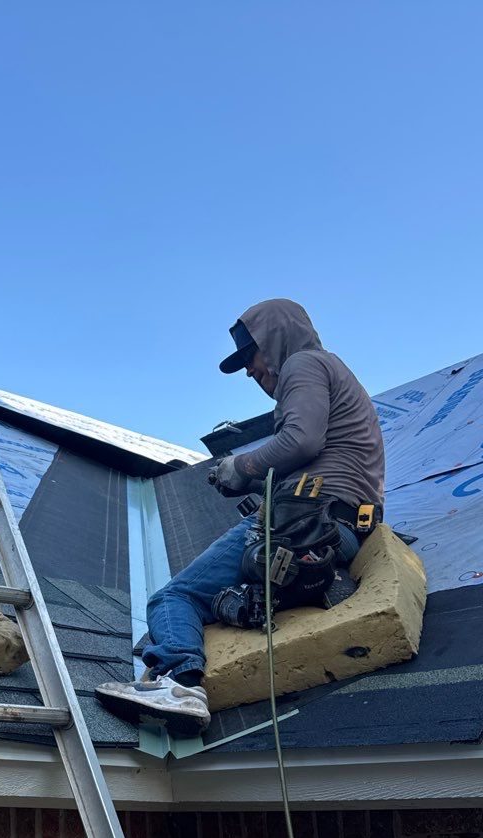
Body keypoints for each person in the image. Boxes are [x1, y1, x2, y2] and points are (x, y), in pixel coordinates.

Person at [97, 299, 386, 733]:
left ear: (273, 342)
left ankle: (179, 684)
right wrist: (246, 481)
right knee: (224, 600)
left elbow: (302, 441)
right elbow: (311, 457)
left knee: (174, 598)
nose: (250, 371)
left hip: (303, 522)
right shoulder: (331, 372)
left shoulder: (303, 364)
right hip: (338, 528)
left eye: (250, 357)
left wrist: (241, 466)